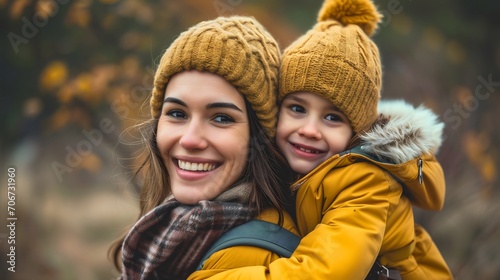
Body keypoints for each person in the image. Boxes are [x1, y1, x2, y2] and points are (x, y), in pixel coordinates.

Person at [188, 0, 453, 279]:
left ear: (356, 132)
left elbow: (325, 271)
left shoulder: (366, 182)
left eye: (332, 118)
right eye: (297, 109)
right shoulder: (289, 166)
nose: (310, 130)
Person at [108, 15, 299, 279]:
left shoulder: (249, 258)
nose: (190, 139)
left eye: (221, 118)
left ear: (259, 138)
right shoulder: (174, 230)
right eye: (177, 113)